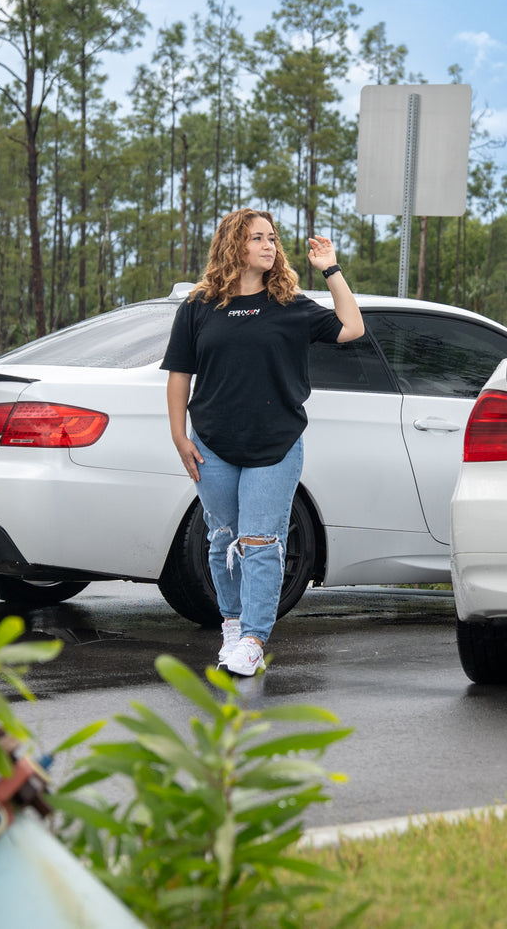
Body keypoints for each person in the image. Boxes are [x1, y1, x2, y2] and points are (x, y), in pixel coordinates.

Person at [161, 208, 364, 676]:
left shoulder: (290, 306)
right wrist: (178, 437)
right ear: (235, 246)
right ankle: (231, 625)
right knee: (222, 538)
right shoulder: (198, 307)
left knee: (261, 541)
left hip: (275, 446)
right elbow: (179, 376)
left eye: (272, 238)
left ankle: (254, 639)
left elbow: (352, 328)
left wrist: (331, 269)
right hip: (211, 443)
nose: (269, 245)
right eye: (257, 238)